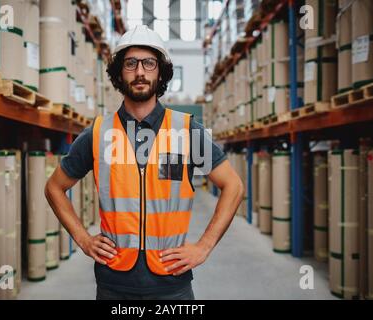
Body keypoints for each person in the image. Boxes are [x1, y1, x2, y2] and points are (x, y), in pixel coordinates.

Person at [45, 25, 244, 300]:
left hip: (172, 283)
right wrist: (83, 238)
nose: (140, 72)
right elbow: (54, 187)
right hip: (113, 283)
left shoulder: (185, 130)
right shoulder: (99, 133)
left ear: (160, 71)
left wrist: (204, 246)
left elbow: (233, 185)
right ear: (119, 73)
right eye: (130, 64)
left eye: (149, 63)